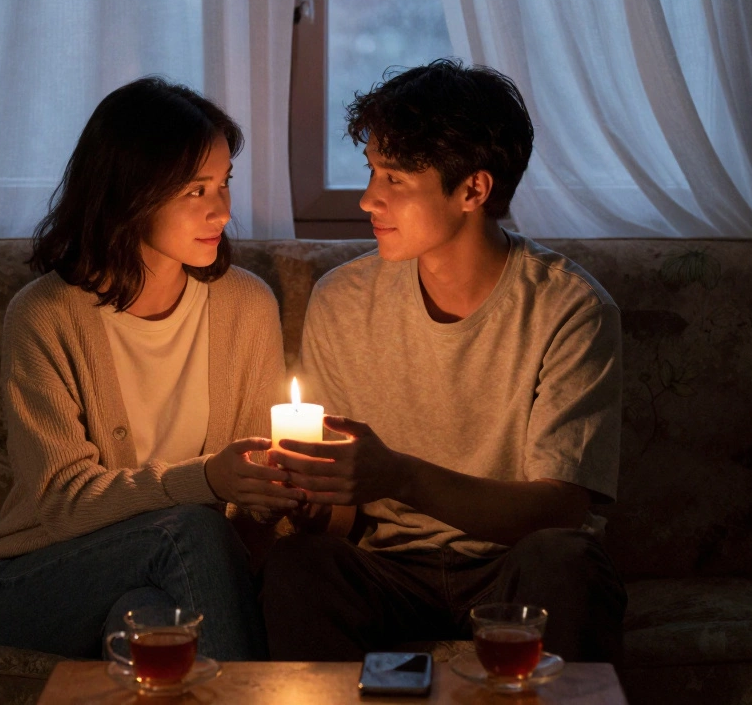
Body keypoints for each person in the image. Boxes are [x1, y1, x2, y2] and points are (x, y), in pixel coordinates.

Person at [263, 59, 627, 662]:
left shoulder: (571, 308)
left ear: (472, 191)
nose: (367, 200)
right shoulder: (342, 299)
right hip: (389, 569)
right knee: (300, 563)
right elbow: (344, 520)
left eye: (396, 180)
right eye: (371, 172)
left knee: (567, 560)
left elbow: (561, 508)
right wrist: (311, 501)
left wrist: (399, 475)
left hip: (513, 565)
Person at [0, 77, 302, 661]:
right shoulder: (45, 315)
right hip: (38, 576)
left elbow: (250, 487)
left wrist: (281, 488)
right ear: (131, 191)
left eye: (225, 184)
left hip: (181, 574)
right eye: (196, 191)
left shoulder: (246, 306)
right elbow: (62, 499)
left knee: (149, 623)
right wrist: (205, 481)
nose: (223, 210)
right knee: (191, 528)